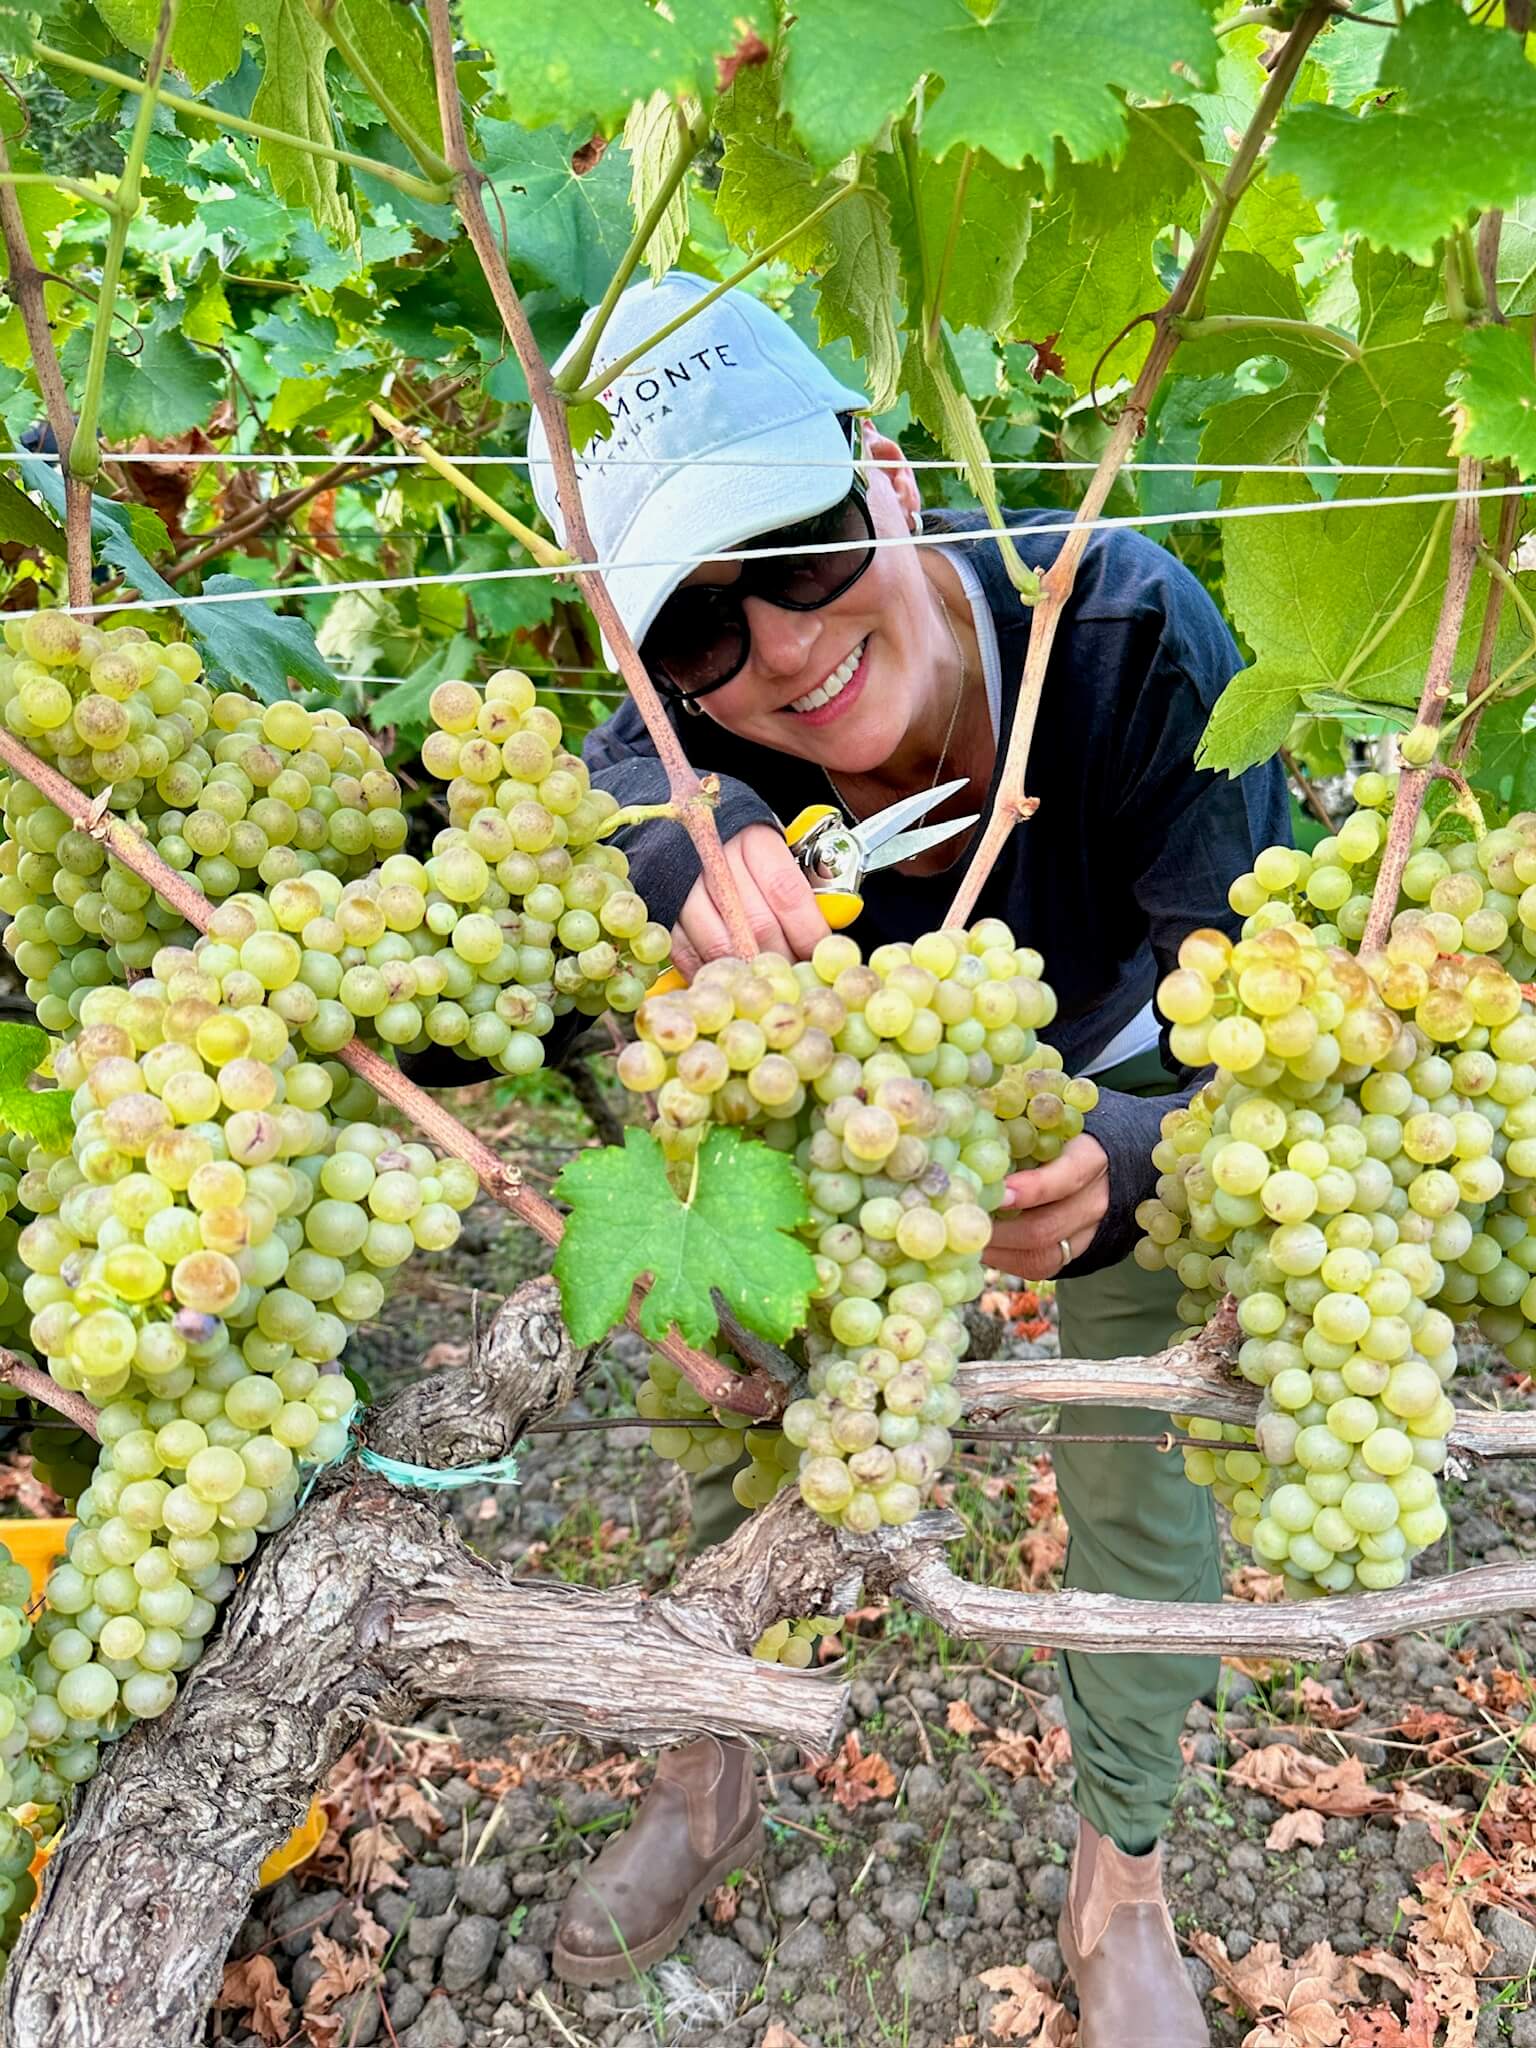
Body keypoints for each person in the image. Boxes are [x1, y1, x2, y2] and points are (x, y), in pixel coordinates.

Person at [524, 272, 1289, 2044]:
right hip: (845, 1115)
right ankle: (717, 1751)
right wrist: (684, 839)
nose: (777, 652)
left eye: (794, 557)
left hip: (1113, 1063)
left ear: (883, 478)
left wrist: (1145, 1156)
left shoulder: (1124, 632)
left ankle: (1129, 1866)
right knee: (723, 1398)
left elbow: (1263, 999)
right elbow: (615, 762)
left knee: (1138, 1474)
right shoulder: (682, 726)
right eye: (698, 629)